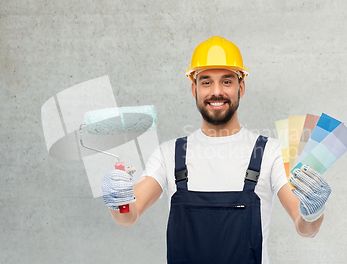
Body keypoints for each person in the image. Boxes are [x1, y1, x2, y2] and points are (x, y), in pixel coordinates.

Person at [101, 36, 332, 264]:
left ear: (241, 87)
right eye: (206, 82)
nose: (217, 91)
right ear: (194, 89)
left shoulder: (270, 152)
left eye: (227, 81)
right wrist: (117, 199)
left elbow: (304, 228)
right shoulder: (168, 154)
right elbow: (128, 216)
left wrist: (313, 213)